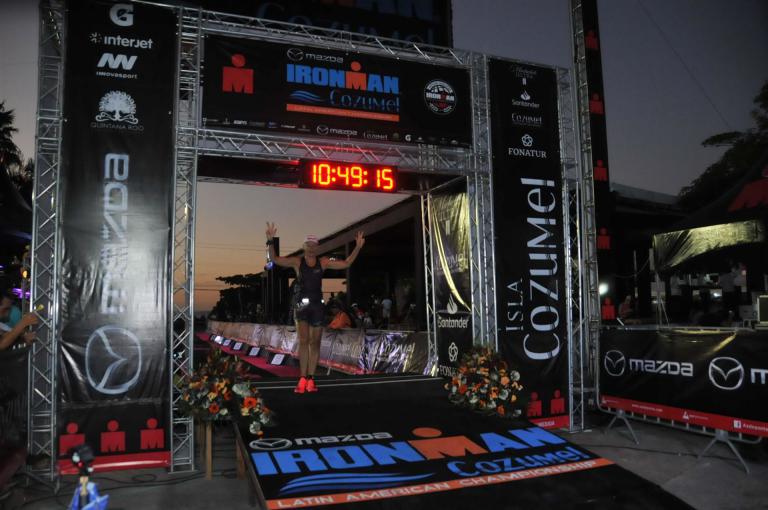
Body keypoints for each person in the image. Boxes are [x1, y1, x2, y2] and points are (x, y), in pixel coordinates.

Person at [265, 223, 364, 393]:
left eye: (313, 245)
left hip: (317, 306)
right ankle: (302, 378)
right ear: (303, 247)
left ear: (317, 248)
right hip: (302, 306)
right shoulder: (297, 262)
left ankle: (311, 379)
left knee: (315, 343)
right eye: (308, 245)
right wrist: (270, 241)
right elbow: (275, 259)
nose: (311, 248)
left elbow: (347, 263)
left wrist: (358, 247)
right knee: (303, 341)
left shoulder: (323, 262)